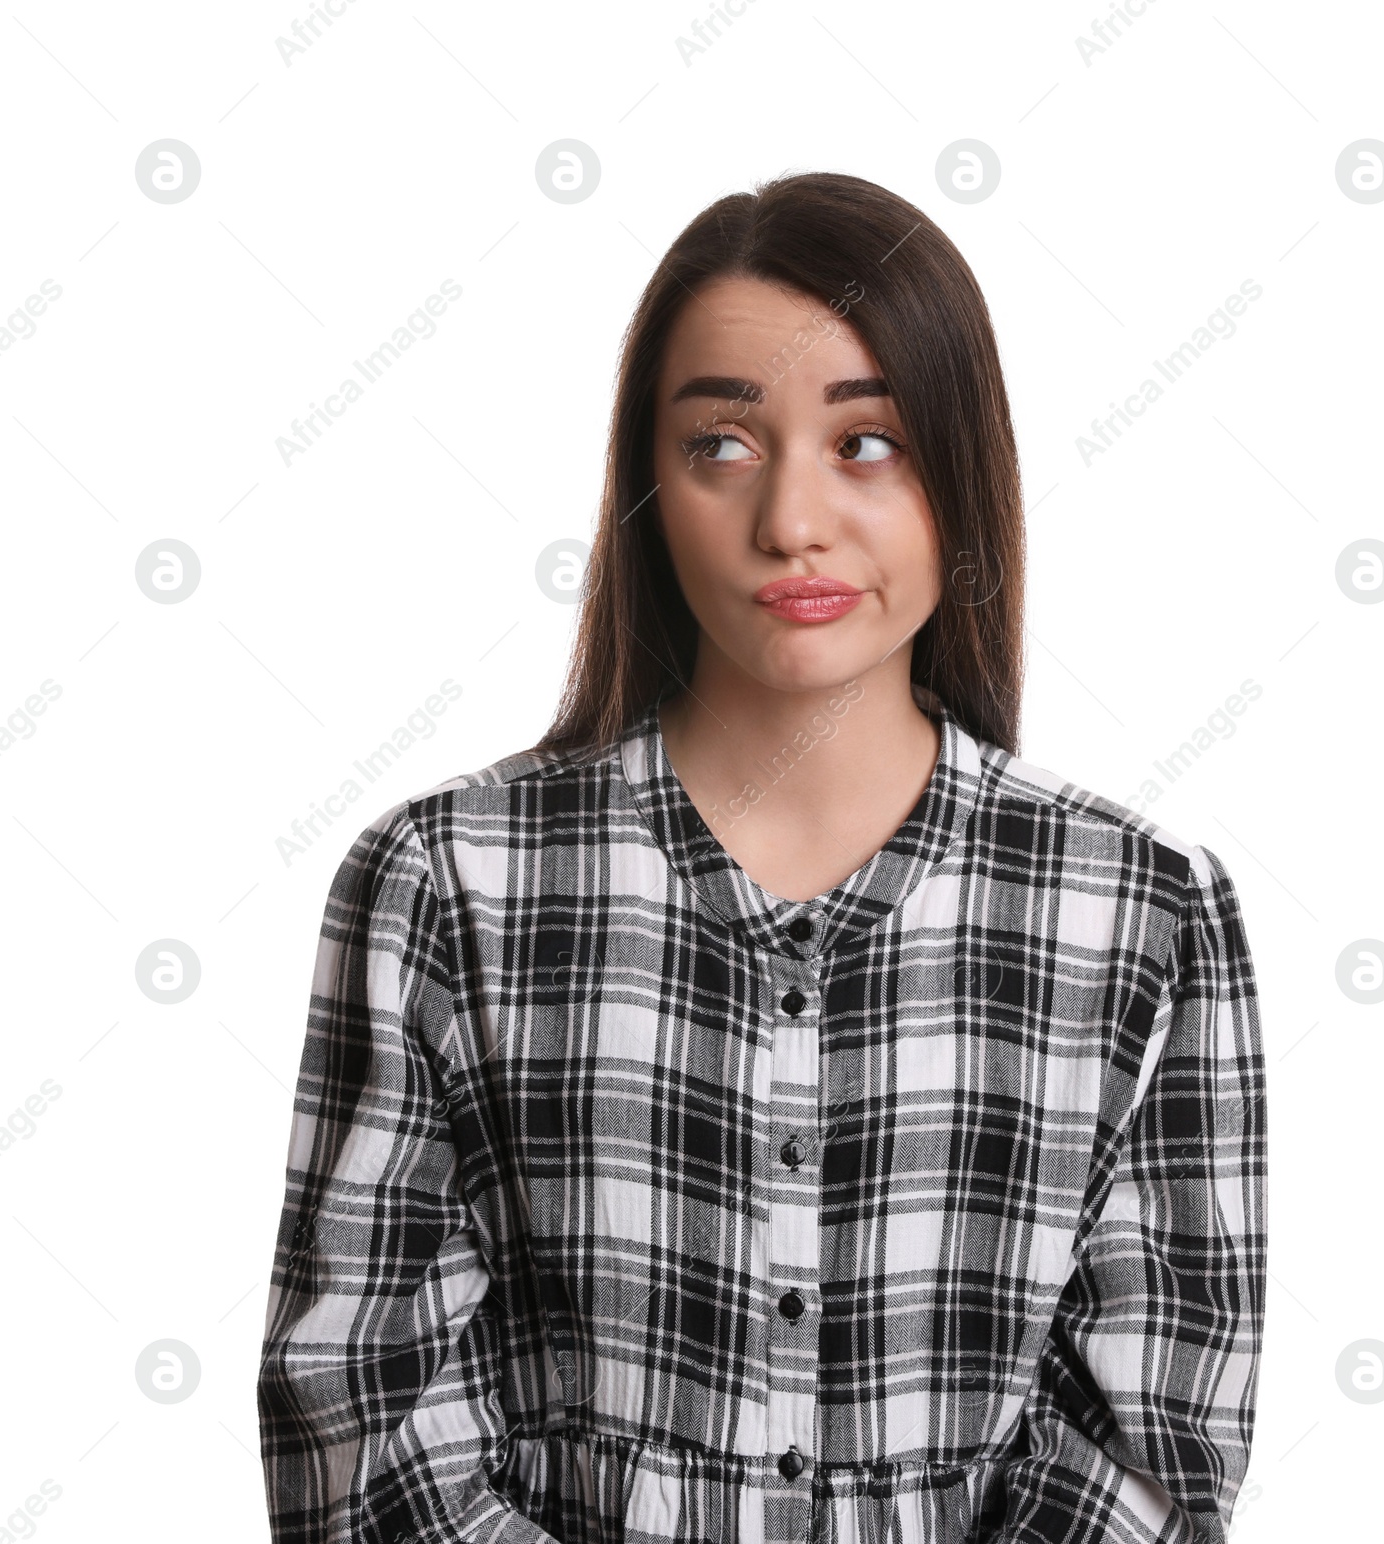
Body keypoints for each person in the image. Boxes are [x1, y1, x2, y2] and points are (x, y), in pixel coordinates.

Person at [257, 170, 1267, 1544]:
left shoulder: (1143, 913)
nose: (792, 520)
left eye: (868, 444)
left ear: (965, 475)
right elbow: (356, 1420)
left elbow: (1149, 1450)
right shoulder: (448, 885)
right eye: (722, 445)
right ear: (646, 488)